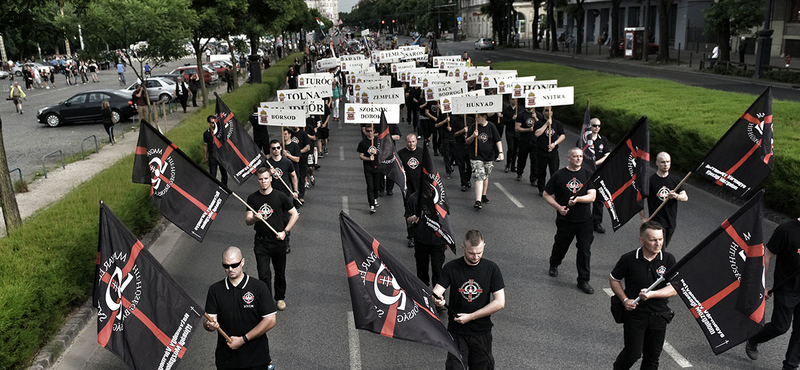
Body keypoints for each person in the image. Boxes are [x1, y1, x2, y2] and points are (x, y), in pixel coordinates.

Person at [433, 230, 505, 370]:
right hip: (457, 332)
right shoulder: (451, 268)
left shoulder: (492, 269)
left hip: (481, 332)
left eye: (479, 252)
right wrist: (437, 299)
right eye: (471, 253)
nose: (475, 257)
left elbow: (500, 302)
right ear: (463, 248)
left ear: (484, 246)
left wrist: (471, 317)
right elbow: (436, 291)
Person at [609, 221, 677, 370]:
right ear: (642, 240)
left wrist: (652, 294)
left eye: (660, 239)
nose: (657, 243)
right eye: (653, 239)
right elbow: (614, 279)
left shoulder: (668, 260)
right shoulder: (628, 259)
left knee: (652, 358)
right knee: (632, 354)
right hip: (635, 315)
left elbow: (674, 288)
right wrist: (625, 299)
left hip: (659, 316)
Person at [204, 246, 278, 370]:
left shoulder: (259, 287)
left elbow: (270, 320)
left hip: (256, 358)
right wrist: (209, 325)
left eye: (234, 265)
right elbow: (209, 321)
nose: (230, 269)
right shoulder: (215, 290)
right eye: (226, 266)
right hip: (226, 360)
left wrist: (243, 339)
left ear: (242, 261)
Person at [745, 216, 800, 370]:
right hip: (786, 290)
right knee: (780, 327)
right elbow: (767, 256)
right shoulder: (786, 230)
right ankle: (754, 338)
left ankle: (790, 366)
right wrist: (762, 285)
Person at [543, 147, 597, 294]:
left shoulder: (587, 174)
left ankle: (583, 281)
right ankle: (554, 263)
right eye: (575, 156)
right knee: (561, 245)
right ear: (569, 158)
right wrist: (559, 207)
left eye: (580, 156)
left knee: (584, 250)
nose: (578, 158)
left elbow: (592, 196)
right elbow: (546, 194)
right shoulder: (559, 175)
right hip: (566, 219)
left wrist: (578, 199)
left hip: (584, 220)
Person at [245, 167, 300, 311]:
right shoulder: (252, 198)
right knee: (263, 273)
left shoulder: (280, 196)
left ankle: (280, 298)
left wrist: (285, 232)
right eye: (260, 179)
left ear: (271, 178)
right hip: (261, 241)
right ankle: (267, 301)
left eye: (265, 178)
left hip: (278, 240)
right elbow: (247, 220)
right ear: (258, 180)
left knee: (279, 271)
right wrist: (255, 218)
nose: (263, 181)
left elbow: (294, 214)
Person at [639, 152, 688, 248]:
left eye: (668, 162)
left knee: (661, 247)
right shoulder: (650, 181)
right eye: (662, 162)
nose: (666, 164)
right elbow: (640, 200)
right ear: (657, 163)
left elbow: (685, 197)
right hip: (655, 222)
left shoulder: (676, 180)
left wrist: (675, 196)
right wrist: (643, 218)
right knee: (659, 248)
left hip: (671, 222)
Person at [465, 112, 504, 210]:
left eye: (479, 117)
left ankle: (483, 195)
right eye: (476, 117)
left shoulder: (491, 126)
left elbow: (497, 140)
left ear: (484, 117)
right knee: (479, 176)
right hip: (476, 156)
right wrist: (473, 136)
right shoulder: (474, 126)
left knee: (485, 175)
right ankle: (478, 201)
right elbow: (467, 141)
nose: (476, 119)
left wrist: (500, 152)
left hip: (489, 156)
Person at [579, 118, 611, 233]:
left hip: (599, 173)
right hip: (585, 172)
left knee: (599, 199)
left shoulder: (603, 140)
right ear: (589, 126)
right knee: (584, 196)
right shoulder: (583, 139)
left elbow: (607, 155)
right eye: (594, 125)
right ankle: (582, 219)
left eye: (599, 126)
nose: (597, 127)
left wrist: (595, 163)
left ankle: (596, 223)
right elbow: (578, 154)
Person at [534, 106, 565, 196]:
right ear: (543, 112)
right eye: (546, 110)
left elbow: (562, 135)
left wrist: (554, 144)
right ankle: (541, 188)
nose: (549, 112)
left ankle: (554, 189)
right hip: (541, 151)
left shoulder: (557, 123)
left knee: (554, 172)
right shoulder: (539, 123)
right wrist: (546, 124)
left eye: (550, 110)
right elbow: (537, 133)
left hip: (553, 152)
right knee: (541, 171)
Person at [515, 105, 541, 184]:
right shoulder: (521, 114)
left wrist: (536, 118)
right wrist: (528, 129)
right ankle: (519, 172)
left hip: (535, 141)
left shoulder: (538, 115)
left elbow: (542, 126)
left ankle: (533, 179)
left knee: (535, 161)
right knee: (522, 158)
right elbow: (517, 128)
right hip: (524, 140)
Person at [357, 126, 381, 213]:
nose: (370, 133)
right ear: (365, 132)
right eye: (368, 131)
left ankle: (375, 197)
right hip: (368, 168)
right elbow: (361, 155)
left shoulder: (378, 141)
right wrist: (368, 158)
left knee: (376, 186)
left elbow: (385, 151)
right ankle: (371, 204)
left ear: (374, 131)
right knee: (370, 186)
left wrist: (377, 153)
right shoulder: (363, 143)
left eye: (371, 131)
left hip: (378, 167)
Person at [203, 115, 229, 186]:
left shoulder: (220, 132)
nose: (213, 124)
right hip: (212, 155)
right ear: (209, 123)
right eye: (212, 123)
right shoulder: (206, 134)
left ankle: (224, 186)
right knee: (212, 174)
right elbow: (205, 146)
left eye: (215, 122)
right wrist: (205, 157)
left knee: (224, 172)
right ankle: (213, 188)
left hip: (221, 154)